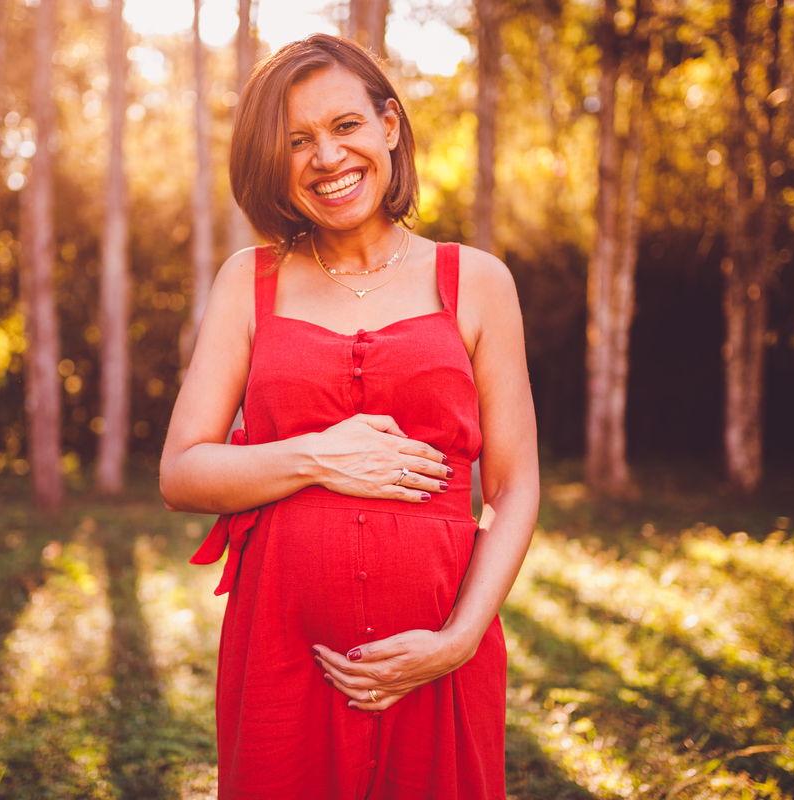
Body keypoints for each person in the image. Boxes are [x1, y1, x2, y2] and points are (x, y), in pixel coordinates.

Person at [159, 33, 538, 800]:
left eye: (345, 126)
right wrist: (316, 457)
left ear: (389, 126)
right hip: (282, 658)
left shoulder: (477, 281)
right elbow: (182, 473)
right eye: (296, 140)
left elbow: (514, 487)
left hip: (437, 657)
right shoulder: (249, 281)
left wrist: (458, 640)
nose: (326, 157)